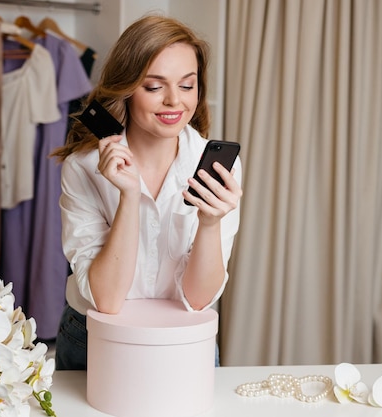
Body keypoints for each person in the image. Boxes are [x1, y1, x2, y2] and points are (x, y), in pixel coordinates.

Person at [51, 14, 243, 370]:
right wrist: (128, 196)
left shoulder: (216, 167)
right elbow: (107, 300)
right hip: (95, 338)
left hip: (182, 340)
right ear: (126, 87)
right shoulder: (84, 166)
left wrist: (211, 223)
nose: (174, 101)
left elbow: (199, 300)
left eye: (187, 86)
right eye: (154, 87)